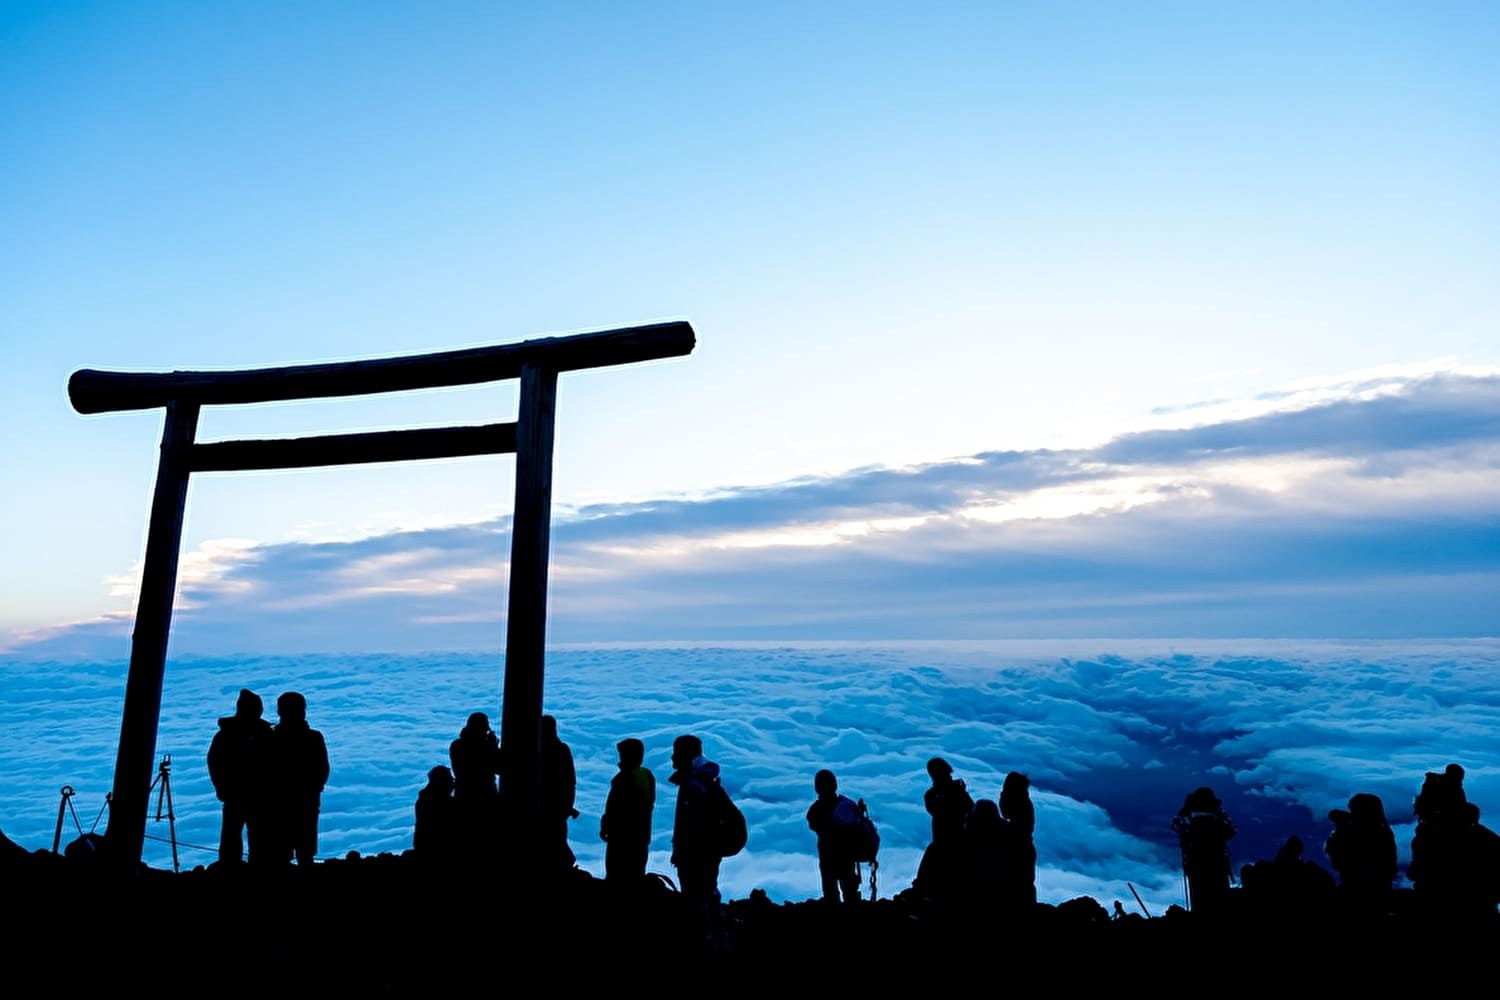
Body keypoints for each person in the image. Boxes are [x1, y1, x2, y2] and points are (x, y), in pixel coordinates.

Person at [670, 733, 727, 943]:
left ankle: (706, 946)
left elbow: (693, 829)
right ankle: (719, 940)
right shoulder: (705, 779)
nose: (672, 758)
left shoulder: (692, 786)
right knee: (710, 894)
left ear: (686, 755)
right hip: (710, 853)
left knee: (697, 899)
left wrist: (682, 853)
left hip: (697, 856)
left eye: (676, 753)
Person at [207, 688, 272, 864]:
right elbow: (215, 763)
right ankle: (235, 869)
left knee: (250, 838)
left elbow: (215, 763)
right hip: (243, 795)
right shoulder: (264, 734)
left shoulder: (228, 734)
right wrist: (222, 789)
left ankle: (233, 869)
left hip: (253, 796)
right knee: (239, 837)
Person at [269, 691, 330, 865]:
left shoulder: (272, 738)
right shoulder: (312, 737)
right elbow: (322, 769)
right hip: (298, 799)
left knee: (290, 849)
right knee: (299, 848)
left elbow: (322, 769)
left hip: (288, 799)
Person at [1172, 786, 1236, 913]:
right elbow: (1232, 830)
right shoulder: (1218, 817)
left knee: (1200, 901)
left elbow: (1177, 825)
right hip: (1219, 864)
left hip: (1196, 866)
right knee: (1221, 900)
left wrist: (1185, 810)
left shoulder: (1189, 819)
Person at [600, 737, 655, 884]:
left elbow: (615, 809)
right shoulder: (647, 775)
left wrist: (605, 827)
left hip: (622, 837)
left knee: (617, 876)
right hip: (642, 836)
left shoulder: (623, 778)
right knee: (636, 875)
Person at [449, 712, 501, 859]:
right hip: (485, 798)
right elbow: (501, 766)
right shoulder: (484, 747)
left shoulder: (456, 745)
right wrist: (493, 747)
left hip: (462, 796)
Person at [805, 769, 862, 903]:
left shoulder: (815, 810)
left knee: (830, 888)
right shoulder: (847, 805)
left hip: (827, 853)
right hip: (846, 854)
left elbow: (812, 824)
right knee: (849, 888)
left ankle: (833, 915)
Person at [539, 714, 578, 869]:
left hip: (549, 806)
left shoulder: (540, 750)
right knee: (556, 840)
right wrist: (567, 805)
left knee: (552, 841)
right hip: (558, 806)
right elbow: (570, 781)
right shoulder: (561, 749)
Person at [999, 771, 1038, 907]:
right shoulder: (1024, 802)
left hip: (1018, 850)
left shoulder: (1018, 805)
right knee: (1025, 886)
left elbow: (1005, 812)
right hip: (1025, 849)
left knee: (1018, 885)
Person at [413, 764, 456, 863]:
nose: (453, 782)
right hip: (434, 851)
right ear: (442, 782)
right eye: (450, 779)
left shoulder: (424, 799)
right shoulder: (441, 803)